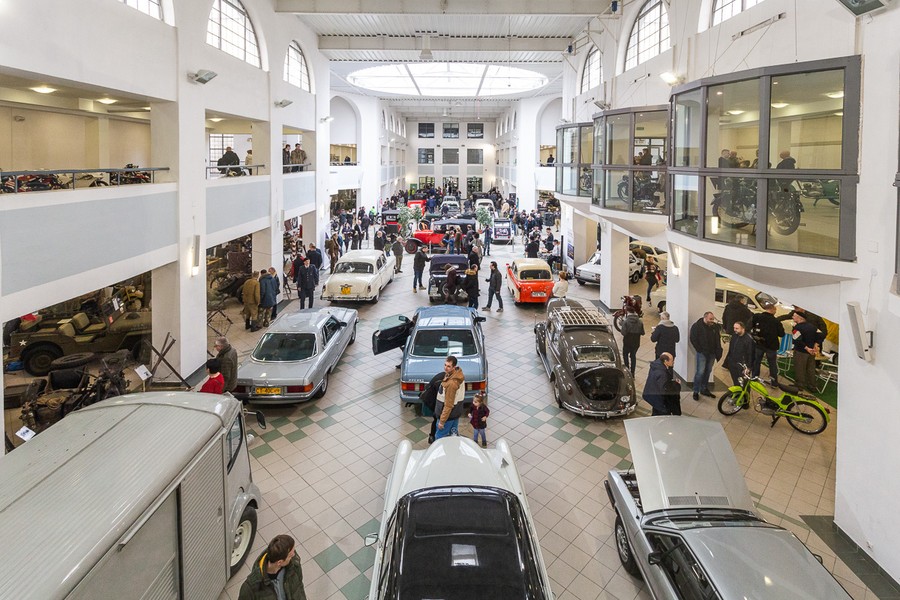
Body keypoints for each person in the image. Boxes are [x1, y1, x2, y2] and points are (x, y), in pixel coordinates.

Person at [238, 534, 308, 600]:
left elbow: (299, 588)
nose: (294, 555)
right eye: (290, 555)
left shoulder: (293, 565)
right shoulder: (250, 588)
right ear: (279, 562)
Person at [689, 312, 722, 401]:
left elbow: (717, 339)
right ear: (705, 318)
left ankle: (704, 389)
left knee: (708, 371)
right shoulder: (697, 326)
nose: (712, 321)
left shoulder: (714, 327)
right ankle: (696, 391)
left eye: (713, 319)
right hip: (702, 353)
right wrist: (699, 349)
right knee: (700, 372)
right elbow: (693, 338)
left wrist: (718, 350)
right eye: (710, 319)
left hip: (712, 353)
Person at [791, 312, 824, 394]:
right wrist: (815, 345)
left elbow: (797, 340)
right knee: (810, 369)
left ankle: (799, 385)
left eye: (794, 316)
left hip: (801, 351)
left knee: (800, 368)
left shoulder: (797, 327)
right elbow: (821, 335)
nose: (792, 317)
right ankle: (812, 386)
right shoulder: (813, 327)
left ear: (800, 318)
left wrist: (807, 348)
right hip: (811, 353)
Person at [751, 302, 783, 385]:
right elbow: (781, 334)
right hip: (771, 346)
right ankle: (774, 382)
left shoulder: (757, 317)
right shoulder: (776, 321)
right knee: (772, 364)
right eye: (775, 309)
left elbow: (752, 326)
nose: (776, 311)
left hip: (759, 344)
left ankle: (754, 377)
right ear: (772, 309)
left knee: (757, 361)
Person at [435, 356, 465, 440]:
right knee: (453, 435)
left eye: (448, 366)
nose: (445, 368)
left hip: (448, 416)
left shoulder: (451, 384)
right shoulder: (457, 374)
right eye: (445, 365)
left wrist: (442, 421)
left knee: (439, 438)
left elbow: (448, 405)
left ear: (454, 367)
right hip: (455, 413)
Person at [723, 321, 755, 387]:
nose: (735, 330)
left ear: (743, 328)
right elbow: (731, 349)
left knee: (744, 383)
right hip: (733, 362)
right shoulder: (734, 336)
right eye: (734, 328)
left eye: (737, 328)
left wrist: (748, 367)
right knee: (736, 380)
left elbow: (751, 354)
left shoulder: (749, 340)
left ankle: (745, 396)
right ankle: (737, 393)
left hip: (742, 365)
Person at [621, 310, 645, 377]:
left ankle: (627, 370)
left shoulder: (626, 322)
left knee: (625, 355)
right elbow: (643, 333)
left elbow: (623, 333)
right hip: (636, 342)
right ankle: (633, 372)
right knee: (633, 356)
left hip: (627, 342)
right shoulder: (640, 322)